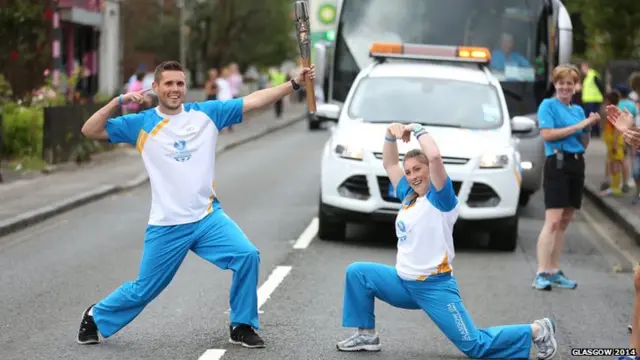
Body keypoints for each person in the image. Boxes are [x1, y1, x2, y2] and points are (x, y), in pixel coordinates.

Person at [77, 60, 315, 348]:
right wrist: (118, 101)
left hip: (207, 217)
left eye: (179, 83)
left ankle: (241, 325)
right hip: (168, 224)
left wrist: (293, 84)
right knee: (144, 290)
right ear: (155, 88)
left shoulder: (207, 114)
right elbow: (90, 130)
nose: (175, 89)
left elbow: (252, 101)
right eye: (168, 84)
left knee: (247, 255)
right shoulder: (141, 124)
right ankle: (95, 316)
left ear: (186, 87)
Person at [336, 122, 559, 359]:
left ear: (429, 170)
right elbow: (390, 163)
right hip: (403, 283)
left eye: (417, 169)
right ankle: (366, 335)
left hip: (434, 287)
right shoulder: (409, 195)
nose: (412, 176)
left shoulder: (442, 199)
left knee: (475, 346)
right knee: (358, 272)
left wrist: (417, 128)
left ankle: (537, 330)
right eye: (409, 171)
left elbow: (434, 156)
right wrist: (389, 135)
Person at [532, 65, 600, 291]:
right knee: (552, 220)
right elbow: (547, 135)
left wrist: (588, 127)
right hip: (557, 163)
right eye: (561, 83)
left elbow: (584, 143)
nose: (565, 87)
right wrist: (578, 126)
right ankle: (541, 272)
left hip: (576, 163)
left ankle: (553, 270)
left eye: (569, 83)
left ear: (575, 86)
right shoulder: (548, 106)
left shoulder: (579, 111)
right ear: (555, 84)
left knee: (565, 221)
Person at [600, 90, 625, 196]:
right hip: (611, 142)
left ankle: (616, 187)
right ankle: (614, 186)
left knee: (616, 165)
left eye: (606, 100)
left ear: (609, 101)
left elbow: (617, 129)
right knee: (612, 163)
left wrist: (614, 143)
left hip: (615, 143)